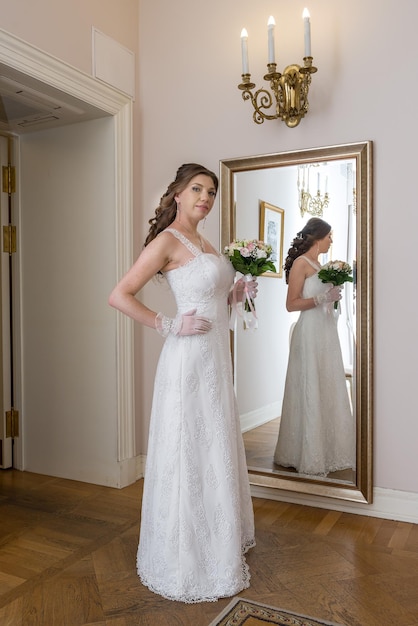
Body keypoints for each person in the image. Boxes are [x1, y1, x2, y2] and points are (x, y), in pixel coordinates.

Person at [109, 163, 256, 603]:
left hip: (214, 357)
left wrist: (235, 294)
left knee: (213, 444)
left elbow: (209, 296)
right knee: (188, 447)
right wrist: (168, 324)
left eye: (210, 191)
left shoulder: (206, 242)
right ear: (177, 192)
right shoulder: (167, 241)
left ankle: (217, 539)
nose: (205, 198)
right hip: (187, 359)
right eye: (197, 189)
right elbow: (119, 295)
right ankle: (182, 554)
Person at [273, 217, 355, 476]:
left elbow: (324, 303)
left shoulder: (321, 265)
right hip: (308, 332)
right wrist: (322, 297)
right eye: (330, 235)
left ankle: (330, 448)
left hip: (326, 333)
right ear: (318, 237)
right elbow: (291, 304)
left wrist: (333, 298)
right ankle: (306, 452)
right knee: (309, 385)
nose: (332, 240)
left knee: (328, 383)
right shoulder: (301, 263)